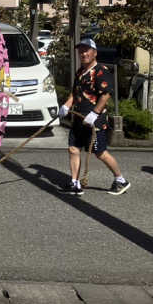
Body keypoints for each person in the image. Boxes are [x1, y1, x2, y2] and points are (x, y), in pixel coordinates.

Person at [58, 38, 130, 196]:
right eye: (81, 51)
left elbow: (106, 95)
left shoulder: (101, 71)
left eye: (86, 50)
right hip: (78, 118)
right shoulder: (80, 72)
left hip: (94, 121)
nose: (83, 53)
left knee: (100, 153)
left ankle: (120, 180)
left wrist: (95, 113)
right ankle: (75, 182)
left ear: (94, 52)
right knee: (73, 149)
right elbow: (75, 92)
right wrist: (66, 105)